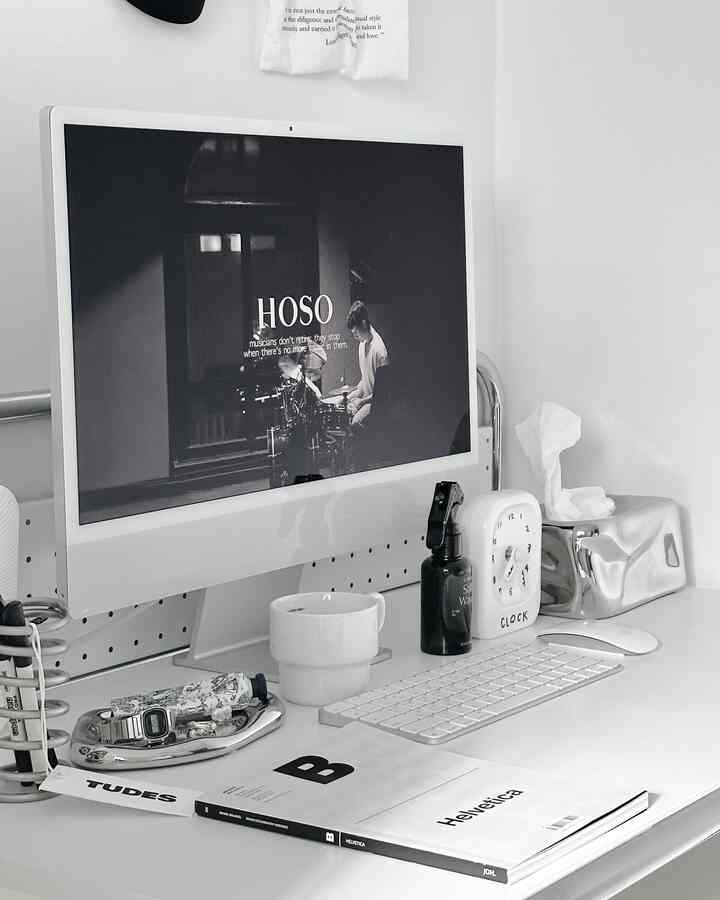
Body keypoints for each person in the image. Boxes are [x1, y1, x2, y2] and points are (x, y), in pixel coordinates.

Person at [345, 301, 389, 427]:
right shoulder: (362, 344)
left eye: (356, 333)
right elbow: (366, 380)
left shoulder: (380, 351)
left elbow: (382, 394)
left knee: (355, 423)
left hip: (377, 404)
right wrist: (350, 396)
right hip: (366, 398)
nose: (354, 336)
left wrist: (361, 401)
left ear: (364, 323)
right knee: (344, 409)